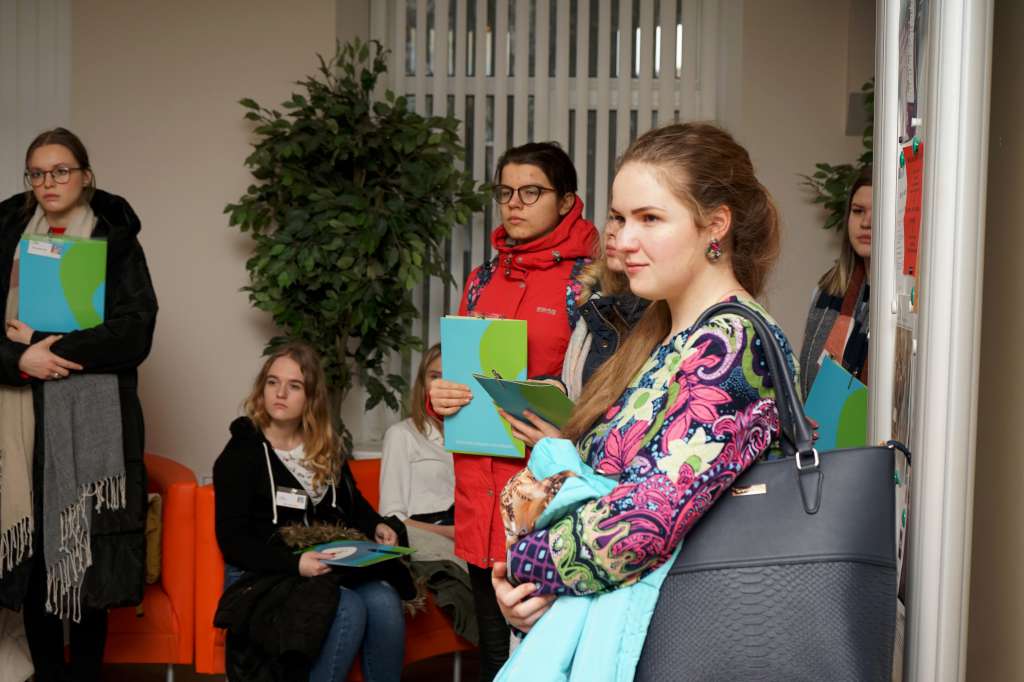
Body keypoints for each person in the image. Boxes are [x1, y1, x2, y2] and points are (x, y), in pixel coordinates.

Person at [489, 122, 799, 675]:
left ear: (716, 225)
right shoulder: (664, 333)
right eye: (619, 217)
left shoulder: (730, 343)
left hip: (686, 645)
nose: (624, 240)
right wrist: (530, 594)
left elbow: (640, 523)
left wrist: (525, 565)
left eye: (650, 218)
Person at [428, 142, 598, 680]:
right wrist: (440, 398)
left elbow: (610, 391)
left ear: (566, 200)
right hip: (478, 492)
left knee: (548, 658)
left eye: (531, 192)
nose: (514, 204)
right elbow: (460, 376)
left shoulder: (591, 282)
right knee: (493, 655)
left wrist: (563, 412)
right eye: (506, 192)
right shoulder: (481, 279)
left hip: (545, 492)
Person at [0, 128, 158, 681]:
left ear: (85, 176)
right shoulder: (6, 234)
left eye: (61, 170)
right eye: (38, 173)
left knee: (85, 557)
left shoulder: (116, 239)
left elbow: (135, 331)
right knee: (38, 560)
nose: (49, 182)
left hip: (93, 422)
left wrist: (49, 348)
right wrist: (20, 359)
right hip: (21, 420)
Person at [213, 343, 411, 682]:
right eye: (273, 382)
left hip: (323, 566)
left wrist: (377, 524)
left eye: (294, 386)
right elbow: (233, 542)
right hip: (265, 571)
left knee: (384, 601)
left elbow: (352, 505)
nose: (280, 393)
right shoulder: (242, 452)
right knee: (346, 607)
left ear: (311, 397)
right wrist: (295, 564)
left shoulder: (324, 446)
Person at [798, 165, 872, 396]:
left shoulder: (903, 306)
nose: (866, 222)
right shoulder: (826, 290)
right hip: (817, 418)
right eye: (858, 211)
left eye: (877, 213)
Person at [560, 219, 649, 400]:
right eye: (613, 217)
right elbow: (589, 384)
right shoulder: (596, 298)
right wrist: (558, 387)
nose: (611, 230)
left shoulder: (667, 313)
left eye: (624, 221)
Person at [379, 344, 454, 540]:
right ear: (423, 383)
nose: (442, 385)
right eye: (435, 377)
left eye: (451, 377)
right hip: (426, 538)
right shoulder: (401, 435)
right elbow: (391, 516)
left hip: (469, 539)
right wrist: (451, 533)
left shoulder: (473, 443)